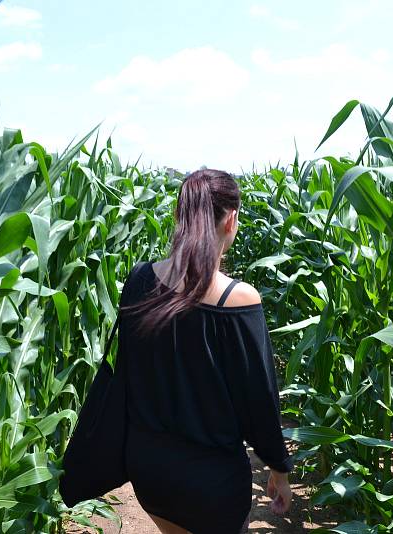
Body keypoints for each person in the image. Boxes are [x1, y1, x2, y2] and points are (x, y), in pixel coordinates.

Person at [116, 169, 293, 533]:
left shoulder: (139, 280)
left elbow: (129, 374)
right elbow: (260, 401)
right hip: (211, 484)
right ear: (231, 220)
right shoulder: (238, 299)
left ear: (180, 218)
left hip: (150, 472)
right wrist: (278, 469)